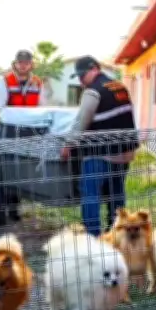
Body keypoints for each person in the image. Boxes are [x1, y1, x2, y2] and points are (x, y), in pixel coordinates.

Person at [61, 56, 139, 236]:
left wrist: (68, 145)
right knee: (116, 194)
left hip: (100, 152)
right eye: (78, 77)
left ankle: (93, 238)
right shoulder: (119, 87)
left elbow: (81, 121)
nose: (81, 81)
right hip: (124, 152)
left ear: (95, 69)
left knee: (90, 194)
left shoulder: (93, 91)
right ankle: (117, 234)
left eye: (83, 76)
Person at [0, 49, 46, 226]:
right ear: (15, 63)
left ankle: (14, 208)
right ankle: (0, 211)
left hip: (28, 133)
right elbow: (0, 107)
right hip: (7, 131)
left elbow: (42, 108)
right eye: (20, 62)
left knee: (20, 172)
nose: (23, 65)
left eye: (26, 62)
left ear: (31, 64)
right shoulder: (6, 80)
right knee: (2, 170)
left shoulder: (38, 83)